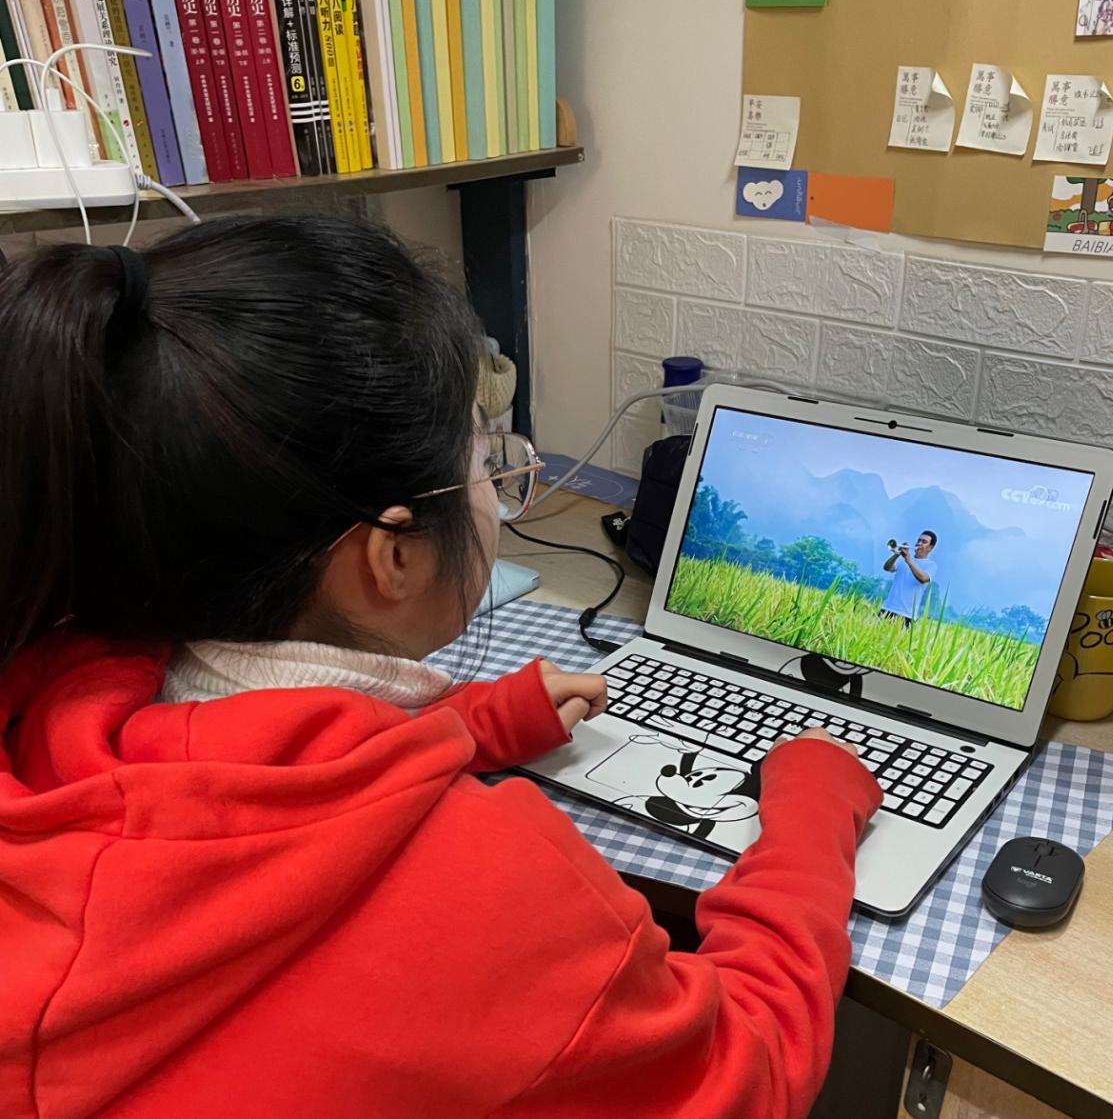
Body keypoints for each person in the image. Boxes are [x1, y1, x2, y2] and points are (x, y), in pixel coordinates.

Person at [0, 218, 880, 1119]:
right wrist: (811, 819)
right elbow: (747, 1071)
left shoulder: (50, 697)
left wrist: (468, 722)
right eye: (485, 460)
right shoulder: (495, 896)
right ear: (392, 556)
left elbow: (235, 778)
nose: (500, 484)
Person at [880, 531, 939, 628]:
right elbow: (887, 568)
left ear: (930, 548)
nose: (919, 543)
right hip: (887, 608)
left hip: (907, 615)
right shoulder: (902, 559)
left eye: (924, 542)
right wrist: (897, 554)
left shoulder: (931, 565)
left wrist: (909, 560)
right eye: (918, 540)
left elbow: (923, 578)